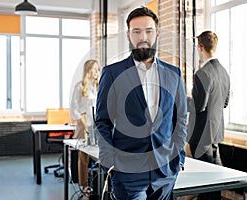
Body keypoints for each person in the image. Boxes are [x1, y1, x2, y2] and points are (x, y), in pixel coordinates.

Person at [95, 7, 187, 200]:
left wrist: (178, 159)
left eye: (148, 31)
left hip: (165, 171)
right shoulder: (112, 73)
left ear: (157, 33)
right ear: (128, 35)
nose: (142, 36)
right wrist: (109, 161)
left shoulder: (174, 74)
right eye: (136, 31)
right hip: (127, 171)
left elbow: (180, 120)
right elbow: (103, 120)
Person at [186, 31, 230, 200]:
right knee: (214, 176)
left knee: (204, 179)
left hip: (201, 133)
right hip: (216, 131)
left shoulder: (202, 73)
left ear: (200, 47)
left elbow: (198, 107)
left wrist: (187, 98)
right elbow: (224, 103)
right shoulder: (224, 72)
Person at [70, 59, 100, 196]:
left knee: (99, 154)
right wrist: (83, 121)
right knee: (84, 156)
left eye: (97, 69)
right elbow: (74, 109)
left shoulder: (99, 86)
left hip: (97, 125)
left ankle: (99, 184)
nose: (96, 72)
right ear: (88, 70)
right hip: (84, 126)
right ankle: (84, 186)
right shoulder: (80, 87)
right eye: (94, 69)